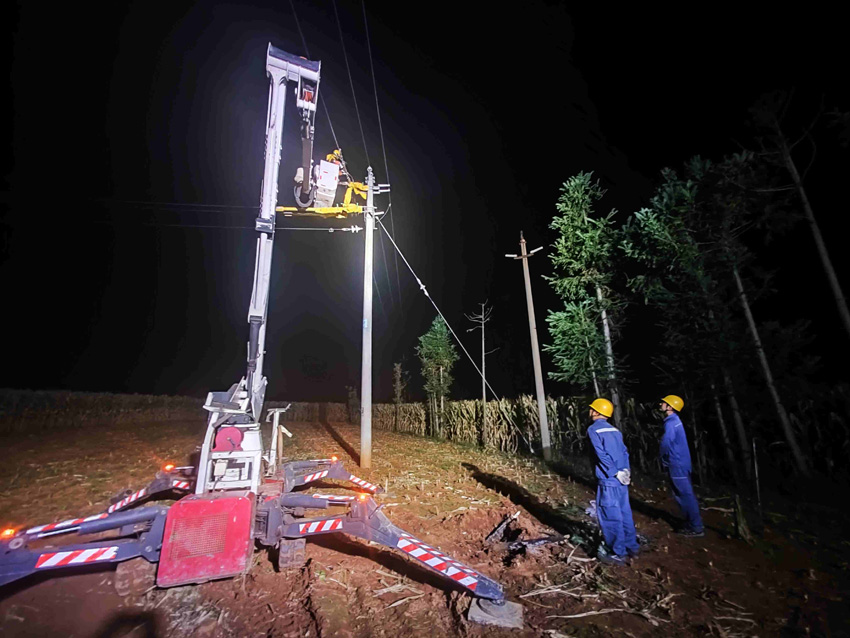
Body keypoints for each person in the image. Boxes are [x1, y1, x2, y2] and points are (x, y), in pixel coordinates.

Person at [587, 398, 640, 566]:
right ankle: (632, 547)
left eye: (592, 409)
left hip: (609, 479)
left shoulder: (593, 429)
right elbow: (625, 452)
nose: (590, 411)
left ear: (596, 412)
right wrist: (625, 472)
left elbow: (601, 455)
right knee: (625, 513)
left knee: (610, 516)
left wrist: (613, 472)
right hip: (622, 479)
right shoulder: (615, 430)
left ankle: (618, 553)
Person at [659, 394, 704, 537]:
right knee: (684, 494)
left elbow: (666, 443)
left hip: (676, 463)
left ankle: (696, 527)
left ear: (670, 407)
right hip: (682, 463)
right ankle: (691, 523)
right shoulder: (676, 421)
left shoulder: (671, 422)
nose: (661, 404)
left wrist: (663, 459)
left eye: (664, 403)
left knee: (685, 495)